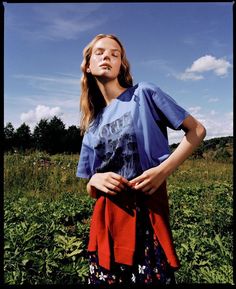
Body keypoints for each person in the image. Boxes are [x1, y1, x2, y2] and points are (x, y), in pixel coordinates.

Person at [76, 34, 206, 285]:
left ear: (121, 66)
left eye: (115, 54)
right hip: (106, 222)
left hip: (146, 214)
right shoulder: (92, 125)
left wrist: (163, 170)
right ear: (88, 66)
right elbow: (90, 187)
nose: (107, 57)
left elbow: (197, 130)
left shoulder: (144, 94)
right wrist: (95, 179)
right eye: (100, 52)